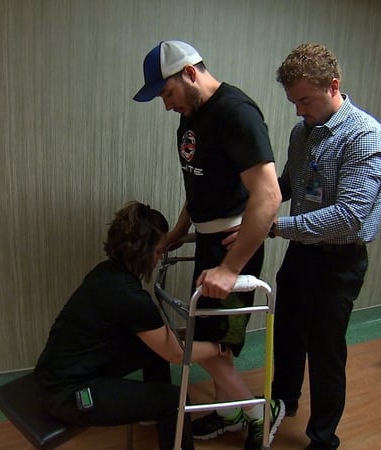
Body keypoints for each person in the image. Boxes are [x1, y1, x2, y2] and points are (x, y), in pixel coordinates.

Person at [133, 40, 284, 450]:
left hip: (235, 243)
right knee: (214, 337)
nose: (166, 106)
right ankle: (228, 411)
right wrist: (181, 229)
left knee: (215, 346)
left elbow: (268, 196)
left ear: (189, 73)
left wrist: (231, 267)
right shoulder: (190, 118)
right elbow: (199, 184)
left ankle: (260, 414)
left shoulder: (236, 113)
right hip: (207, 239)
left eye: (166, 94)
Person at [268, 43, 381, 450]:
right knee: (286, 334)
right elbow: (288, 184)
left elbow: (348, 216)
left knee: (325, 354)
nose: (298, 110)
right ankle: (281, 404)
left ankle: (323, 440)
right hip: (301, 253)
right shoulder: (301, 132)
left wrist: (276, 227)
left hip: (338, 263)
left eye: (304, 100)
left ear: (333, 86)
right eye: (293, 102)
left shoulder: (365, 136)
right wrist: (251, 200)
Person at [34, 201, 229, 450]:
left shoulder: (106, 273)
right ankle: (161, 411)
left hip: (55, 373)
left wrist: (187, 335)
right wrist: (222, 346)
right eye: (159, 252)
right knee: (175, 401)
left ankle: (150, 412)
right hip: (67, 395)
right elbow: (177, 354)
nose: (160, 258)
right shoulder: (130, 297)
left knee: (153, 349)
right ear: (141, 251)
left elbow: (160, 340)